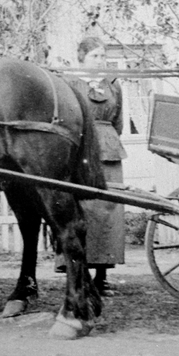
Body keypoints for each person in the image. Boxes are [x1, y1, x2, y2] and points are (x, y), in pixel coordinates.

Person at [70, 36, 127, 296]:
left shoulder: (113, 86)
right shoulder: (70, 83)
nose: (100, 61)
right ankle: (78, 275)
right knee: (81, 210)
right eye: (94, 56)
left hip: (109, 151)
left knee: (107, 212)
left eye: (103, 56)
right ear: (81, 58)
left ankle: (101, 277)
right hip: (80, 151)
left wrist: (106, 140)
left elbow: (118, 124)